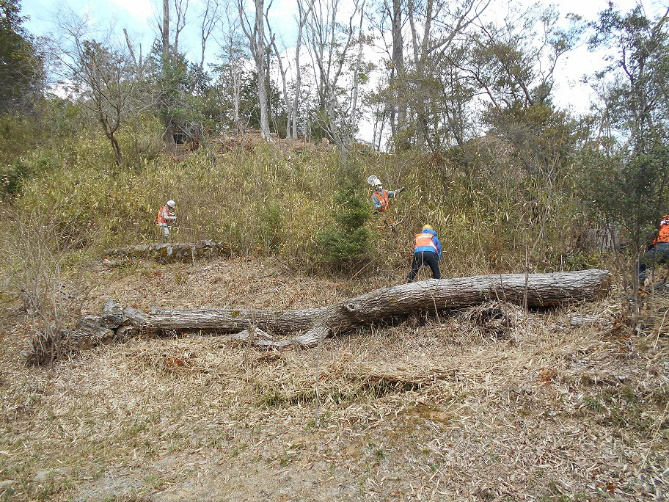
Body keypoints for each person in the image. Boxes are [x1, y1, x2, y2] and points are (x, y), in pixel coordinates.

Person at [638, 214, 669, 283]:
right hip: (662, 246)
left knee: (640, 264)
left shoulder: (660, 218)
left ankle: (642, 284)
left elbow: (651, 237)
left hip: (661, 245)